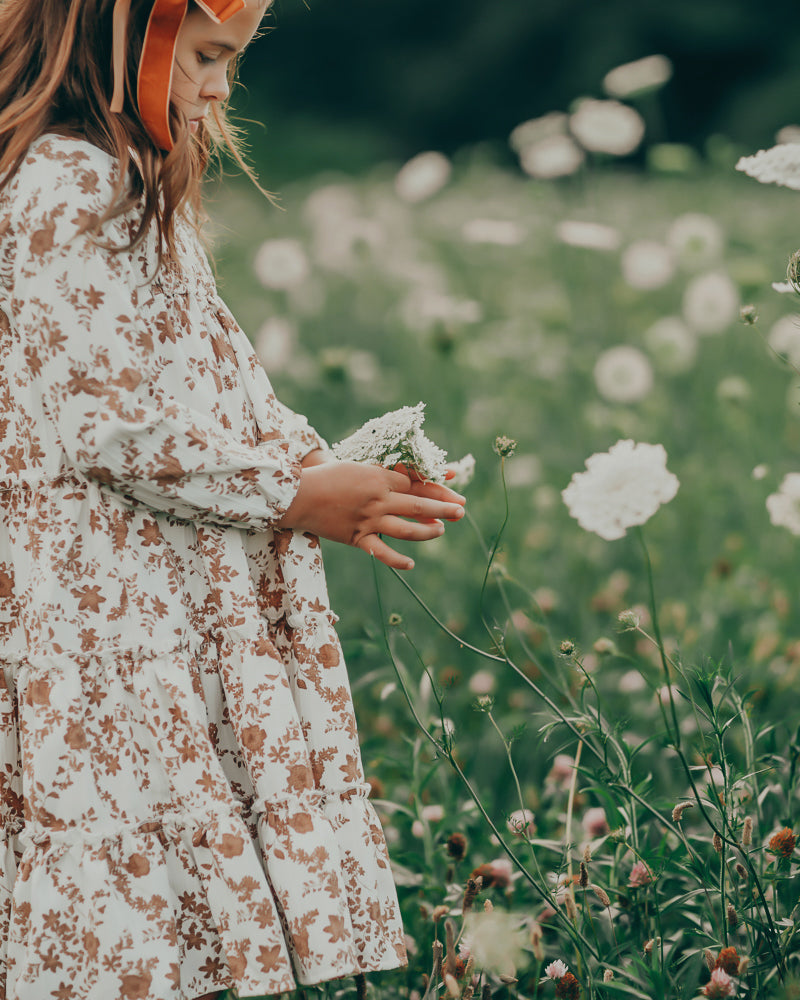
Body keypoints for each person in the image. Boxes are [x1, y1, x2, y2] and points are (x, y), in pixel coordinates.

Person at [0, 1, 467, 998]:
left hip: (160, 608)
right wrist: (295, 495)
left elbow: (219, 384)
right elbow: (109, 428)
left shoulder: (125, 183)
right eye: (207, 57)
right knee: (122, 929)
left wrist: (343, 473)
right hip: (113, 625)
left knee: (165, 928)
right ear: (118, 37)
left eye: (230, 63)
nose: (220, 89)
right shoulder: (65, 183)